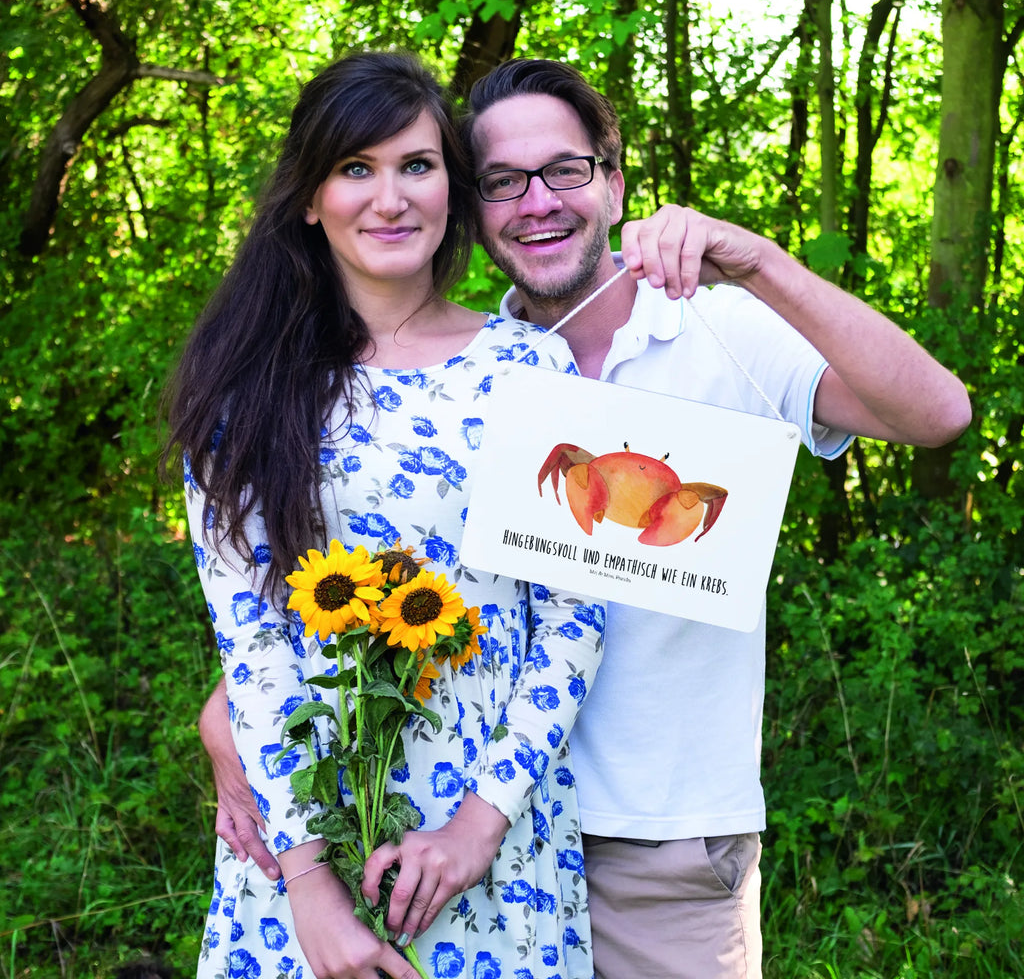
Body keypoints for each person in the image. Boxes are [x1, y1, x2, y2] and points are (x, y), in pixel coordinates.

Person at [202, 57, 972, 979]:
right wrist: (236, 725)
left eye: (565, 170)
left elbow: (938, 416)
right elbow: (333, 587)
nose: (537, 202)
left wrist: (759, 261)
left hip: (653, 842)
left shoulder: (711, 329)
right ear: (474, 206)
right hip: (424, 830)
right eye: (502, 181)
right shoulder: (461, 373)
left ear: (612, 181)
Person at [165, 52, 607, 979]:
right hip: (303, 842)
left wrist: (478, 827)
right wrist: (311, 891)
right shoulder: (245, 392)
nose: (390, 197)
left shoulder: (532, 370)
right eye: (355, 169)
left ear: (452, 184)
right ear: (308, 199)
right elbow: (252, 646)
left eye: (416, 165)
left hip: (492, 842)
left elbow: (574, 617)